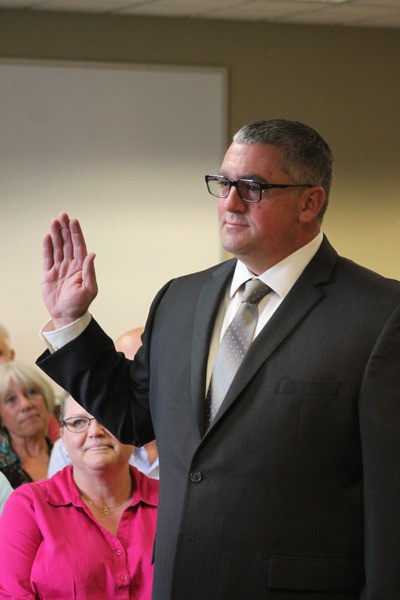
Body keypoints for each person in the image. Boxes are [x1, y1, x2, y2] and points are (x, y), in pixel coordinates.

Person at [36, 119, 400, 599]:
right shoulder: (180, 299)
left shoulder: (378, 313)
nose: (228, 202)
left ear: (310, 202)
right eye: (223, 183)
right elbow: (132, 415)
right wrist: (72, 321)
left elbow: (390, 502)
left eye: (252, 187)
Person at [0, 392, 158, 599]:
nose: (95, 431)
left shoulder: (172, 501)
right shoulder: (28, 506)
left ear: (133, 429)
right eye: (78, 422)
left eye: (108, 417)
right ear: (62, 437)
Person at [0, 361, 55, 488]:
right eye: (11, 399)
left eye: (31, 392)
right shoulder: (1, 471)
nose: (26, 405)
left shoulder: (72, 455)